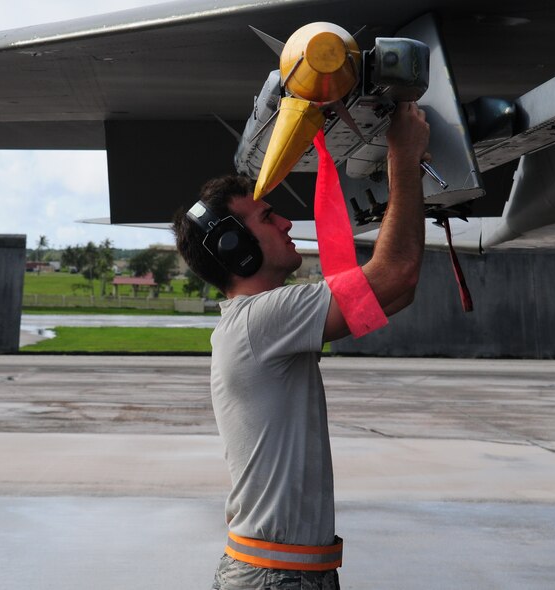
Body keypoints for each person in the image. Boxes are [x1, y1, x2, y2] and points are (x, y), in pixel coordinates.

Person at [172, 102, 430, 590]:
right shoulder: (262, 320)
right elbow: (396, 276)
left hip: (285, 572)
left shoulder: (254, 323)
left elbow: (400, 290)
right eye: (269, 218)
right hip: (276, 577)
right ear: (236, 248)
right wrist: (403, 158)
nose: (288, 223)